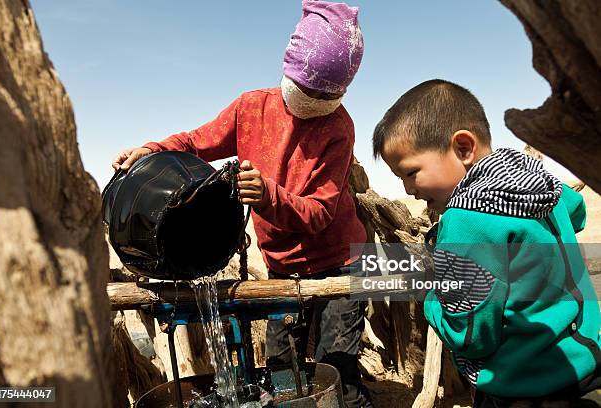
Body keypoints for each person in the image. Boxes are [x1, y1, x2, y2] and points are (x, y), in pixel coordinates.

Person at [112, 1, 373, 406]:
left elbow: (320, 213)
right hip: (282, 266)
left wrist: (268, 195)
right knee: (282, 368)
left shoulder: (338, 128)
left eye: (328, 96)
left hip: (338, 259)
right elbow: (196, 143)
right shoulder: (252, 108)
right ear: (288, 68)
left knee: (336, 367)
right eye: (306, 90)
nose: (314, 102)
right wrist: (150, 150)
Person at [372, 79, 600, 407]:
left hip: (526, 384)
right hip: (585, 359)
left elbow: (471, 334)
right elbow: (576, 212)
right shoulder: (532, 178)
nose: (409, 190)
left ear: (463, 148)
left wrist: (432, 298)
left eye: (411, 172)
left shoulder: (465, 221)